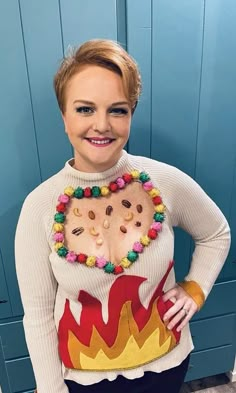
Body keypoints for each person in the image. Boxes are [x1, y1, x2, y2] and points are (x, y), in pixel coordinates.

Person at [15, 39, 231, 393]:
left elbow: (216, 233)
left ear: (131, 114)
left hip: (167, 362)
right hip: (82, 380)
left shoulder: (163, 182)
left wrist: (196, 288)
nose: (102, 125)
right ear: (64, 116)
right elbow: (38, 318)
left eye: (117, 110)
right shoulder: (40, 206)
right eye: (85, 109)